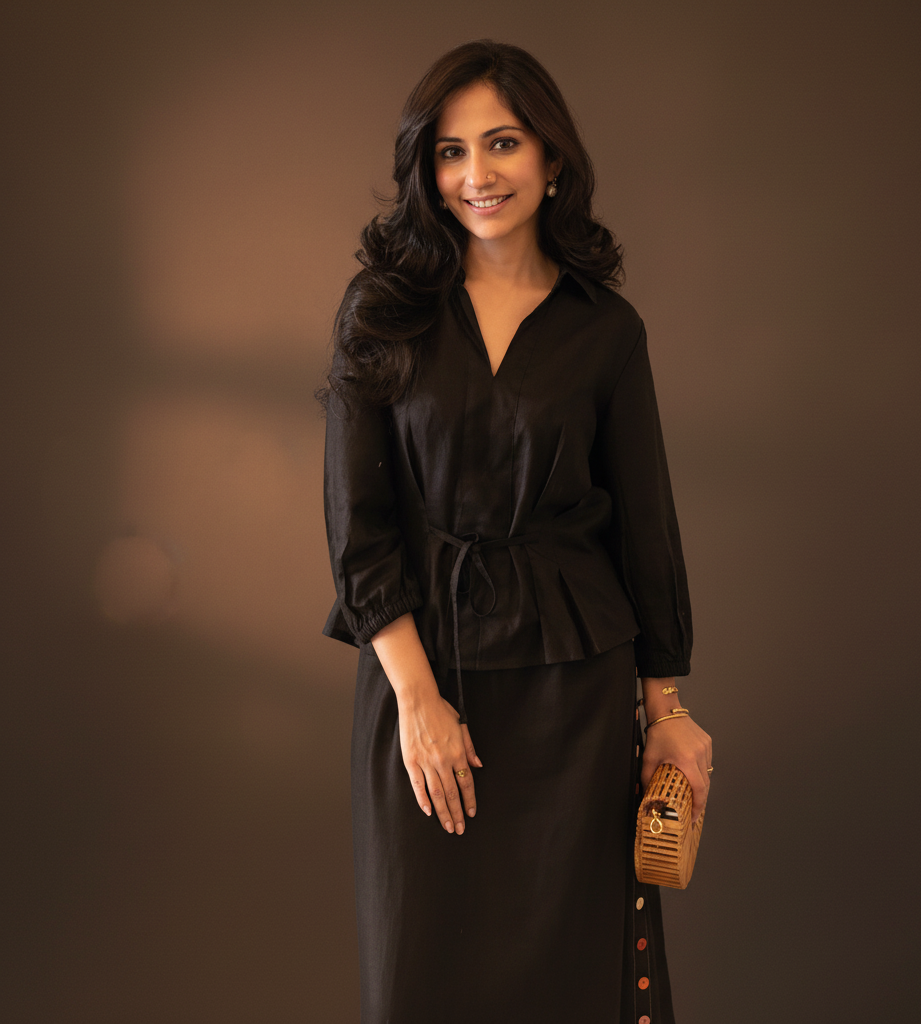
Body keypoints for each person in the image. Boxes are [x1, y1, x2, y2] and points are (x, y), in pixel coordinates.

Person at [321, 39, 712, 1024]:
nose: (476, 174)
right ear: (426, 169)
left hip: (576, 700)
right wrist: (417, 700)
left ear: (551, 158)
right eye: (450, 151)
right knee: (421, 980)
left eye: (502, 143)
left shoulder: (606, 330)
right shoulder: (382, 311)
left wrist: (666, 706)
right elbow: (358, 525)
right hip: (422, 683)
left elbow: (646, 525)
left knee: (573, 981)